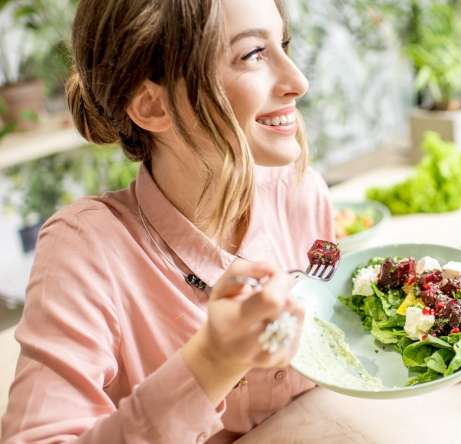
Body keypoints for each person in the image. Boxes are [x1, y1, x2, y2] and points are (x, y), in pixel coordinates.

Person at [0, 0, 334, 442]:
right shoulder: (85, 249)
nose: (298, 81)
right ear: (153, 106)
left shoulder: (302, 192)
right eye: (253, 54)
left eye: (283, 44)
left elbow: (330, 337)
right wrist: (212, 362)